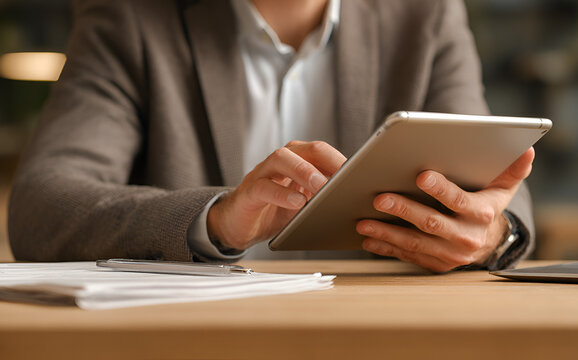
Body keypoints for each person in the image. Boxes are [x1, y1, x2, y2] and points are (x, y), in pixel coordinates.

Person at [9, 0, 535, 272]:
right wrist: (216, 219)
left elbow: (500, 197)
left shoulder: (426, 14)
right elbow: (42, 206)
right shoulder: (131, 17)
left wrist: (491, 236)